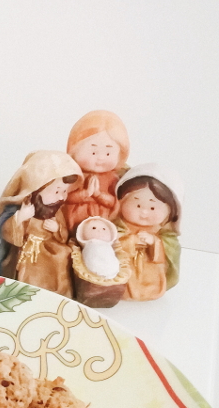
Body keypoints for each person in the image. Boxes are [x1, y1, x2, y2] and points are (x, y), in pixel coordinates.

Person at [0, 150, 83, 298]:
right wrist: (20, 218)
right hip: (28, 247)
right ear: (36, 189)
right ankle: (29, 292)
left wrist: (57, 229)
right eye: (56, 191)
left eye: (65, 191)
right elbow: (7, 231)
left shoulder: (57, 209)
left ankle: (59, 293)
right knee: (28, 264)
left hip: (49, 245)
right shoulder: (25, 207)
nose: (61, 196)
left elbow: (63, 235)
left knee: (63, 255)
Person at [114, 164, 182, 300]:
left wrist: (155, 243)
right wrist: (131, 241)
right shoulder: (116, 228)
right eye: (138, 205)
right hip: (124, 271)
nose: (144, 213)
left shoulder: (164, 235)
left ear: (170, 211)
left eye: (152, 207)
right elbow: (109, 246)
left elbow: (172, 252)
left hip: (151, 274)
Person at [64, 110, 130, 233]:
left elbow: (115, 203)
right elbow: (65, 197)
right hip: (75, 220)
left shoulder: (114, 179)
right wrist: (85, 193)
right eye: (93, 152)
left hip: (104, 222)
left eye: (108, 153)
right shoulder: (73, 175)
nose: (101, 158)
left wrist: (99, 195)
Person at [75, 215, 120, 280]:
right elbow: (91, 258)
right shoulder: (91, 244)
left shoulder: (108, 246)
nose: (99, 231)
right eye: (93, 228)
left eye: (104, 229)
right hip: (95, 271)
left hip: (113, 271)